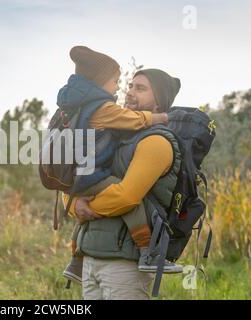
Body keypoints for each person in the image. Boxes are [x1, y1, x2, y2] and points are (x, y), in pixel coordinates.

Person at [63, 69, 183, 300]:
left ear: (159, 102)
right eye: (130, 86)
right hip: (90, 258)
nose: (129, 93)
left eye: (140, 89)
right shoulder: (112, 136)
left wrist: (83, 208)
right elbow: (73, 181)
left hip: (125, 265)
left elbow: (126, 197)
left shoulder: (156, 142)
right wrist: (72, 202)